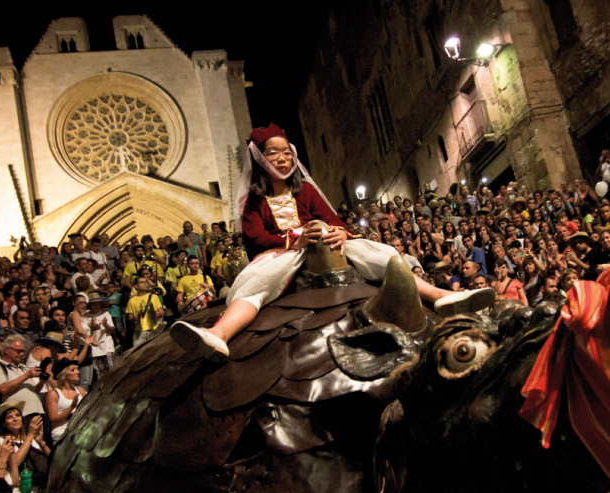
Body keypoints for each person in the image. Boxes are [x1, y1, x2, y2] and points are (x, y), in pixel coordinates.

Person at [172, 124, 492, 357]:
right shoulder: (255, 201)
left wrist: (340, 232)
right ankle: (219, 333)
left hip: (324, 244)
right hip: (282, 253)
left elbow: (333, 220)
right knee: (257, 284)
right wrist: (294, 240)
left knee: (379, 255)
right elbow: (255, 237)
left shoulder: (307, 191)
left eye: (286, 153)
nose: (282, 159)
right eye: (274, 154)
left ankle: (439, 295)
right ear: (260, 158)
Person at [45, 359, 85, 445]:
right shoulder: (54, 394)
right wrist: (71, 408)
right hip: (61, 433)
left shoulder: (80, 390)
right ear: (64, 374)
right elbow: (53, 419)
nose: (77, 372)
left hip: (79, 432)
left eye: (77, 369)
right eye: (73, 370)